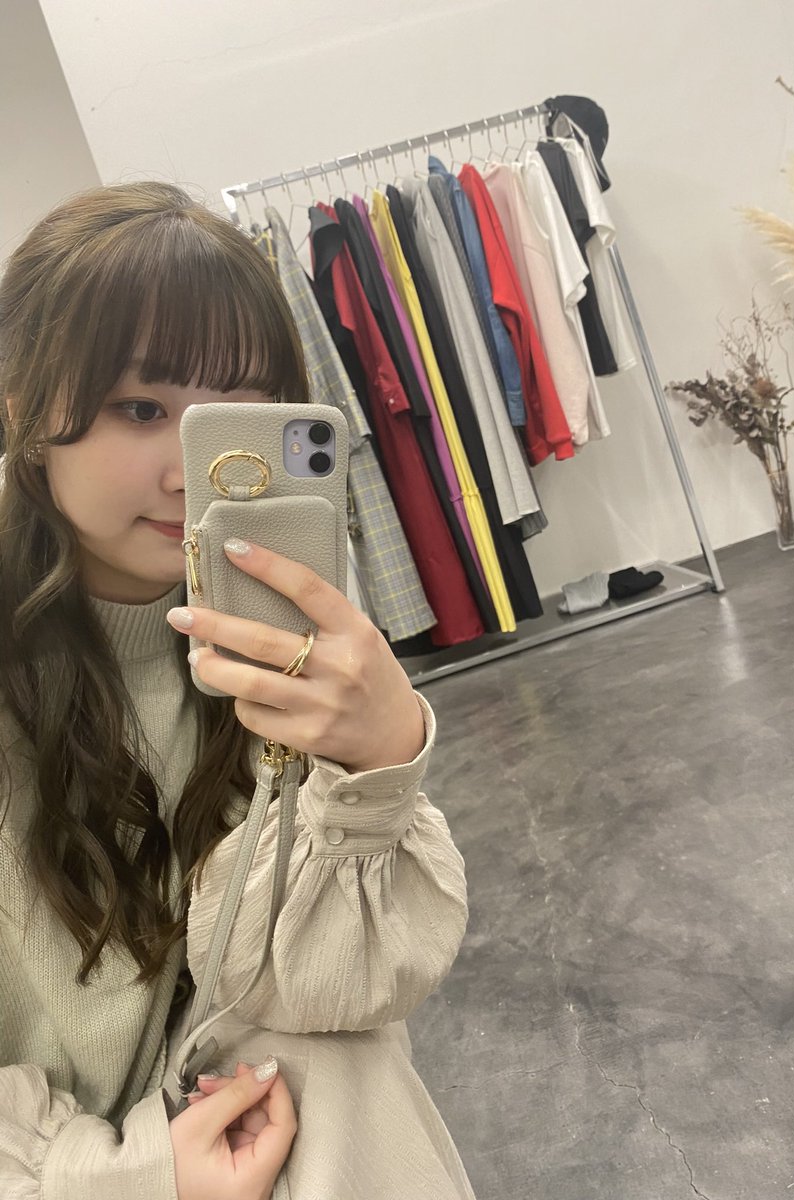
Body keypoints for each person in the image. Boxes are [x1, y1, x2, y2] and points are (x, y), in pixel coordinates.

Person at [0, 182, 474, 1199]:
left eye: (238, 417)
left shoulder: (271, 615)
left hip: (215, 1095)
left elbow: (329, 986)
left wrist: (378, 769)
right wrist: (129, 1178)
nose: (193, 470)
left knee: (337, 1065)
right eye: (141, 409)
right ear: (24, 410)